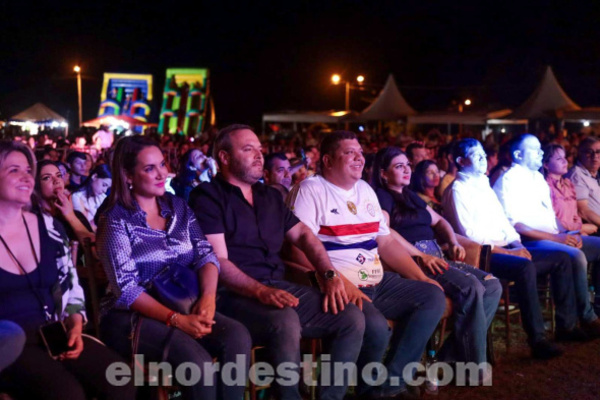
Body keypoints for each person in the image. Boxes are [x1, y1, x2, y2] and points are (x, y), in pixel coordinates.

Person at [189, 124, 365, 400]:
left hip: (278, 287)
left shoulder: (269, 196)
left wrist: (329, 275)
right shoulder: (208, 197)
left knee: (350, 317)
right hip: (233, 295)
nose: (259, 155)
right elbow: (218, 261)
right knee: (284, 319)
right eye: (248, 150)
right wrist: (261, 291)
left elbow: (304, 236)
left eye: (260, 149)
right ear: (224, 157)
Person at [289, 131, 446, 399]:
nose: (359, 157)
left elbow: (385, 243)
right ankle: (366, 390)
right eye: (350, 152)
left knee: (432, 296)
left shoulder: (365, 190)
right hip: (341, 285)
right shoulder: (310, 190)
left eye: (360, 152)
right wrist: (338, 281)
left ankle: (389, 385)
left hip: (377, 281)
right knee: (376, 327)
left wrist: (421, 277)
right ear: (327, 160)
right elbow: (295, 249)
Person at [97, 136, 251, 400]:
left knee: (237, 336)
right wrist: (177, 320)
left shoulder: (178, 206)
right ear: (127, 175)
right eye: (149, 168)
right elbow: (127, 291)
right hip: (133, 317)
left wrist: (209, 299)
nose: (162, 173)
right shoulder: (115, 219)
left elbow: (205, 255)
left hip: (185, 301)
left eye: (162, 163)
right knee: (199, 364)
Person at [0, 140, 134, 400]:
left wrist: (75, 322)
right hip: (8, 344)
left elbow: (70, 285)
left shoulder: (47, 226)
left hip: (53, 332)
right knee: (67, 393)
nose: (26, 177)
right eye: (14, 170)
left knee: (120, 380)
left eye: (28, 170)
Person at [370, 145, 501, 368]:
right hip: (415, 261)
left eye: (407, 165)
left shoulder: (411, 196)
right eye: (398, 166)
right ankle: (473, 365)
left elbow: (440, 221)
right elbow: (385, 231)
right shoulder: (382, 197)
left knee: (492, 285)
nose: (406, 170)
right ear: (383, 173)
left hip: (436, 256)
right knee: (472, 288)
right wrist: (421, 254)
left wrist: (452, 241)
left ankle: (450, 358)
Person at [492, 134, 600, 338]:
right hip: (530, 241)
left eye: (541, 148)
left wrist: (568, 232)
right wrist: (557, 239)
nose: (541, 153)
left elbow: (550, 218)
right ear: (518, 154)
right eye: (535, 149)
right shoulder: (508, 181)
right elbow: (516, 225)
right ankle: (583, 318)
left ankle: (593, 308)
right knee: (573, 256)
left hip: (553, 236)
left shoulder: (538, 179)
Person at [543, 143, 600, 315]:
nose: (564, 161)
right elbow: (553, 219)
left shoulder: (567, 183)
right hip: (557, 236)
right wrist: (578, 228)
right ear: (546, 164)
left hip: (574, 233)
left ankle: (596, 302)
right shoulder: (544, 186)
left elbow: (575, 214)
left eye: (565, 157)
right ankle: (586, 313)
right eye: (558, 158)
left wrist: (578, 228)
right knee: (578, 256)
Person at [34, 160, 94, 244]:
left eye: (58, 175)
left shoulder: (76, 216)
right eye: (47, 178)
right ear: (35, 185)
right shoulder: (33, 221)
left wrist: (70, 215)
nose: (56, 180)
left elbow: (94, 249)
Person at [565, 136, 600, 228]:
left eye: (598, 152)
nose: (595, 156)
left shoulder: (594, 174)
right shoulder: (577, 175)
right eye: (589, 152)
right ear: (580, 154)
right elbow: (583, 212)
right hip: (593, 230)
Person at [71, 164, 112, 231]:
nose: (104, 190)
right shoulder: (77, 197)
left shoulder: (102, 197)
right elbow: (86, 226)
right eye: (104, 185)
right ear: (94, 176)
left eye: (107, 188)